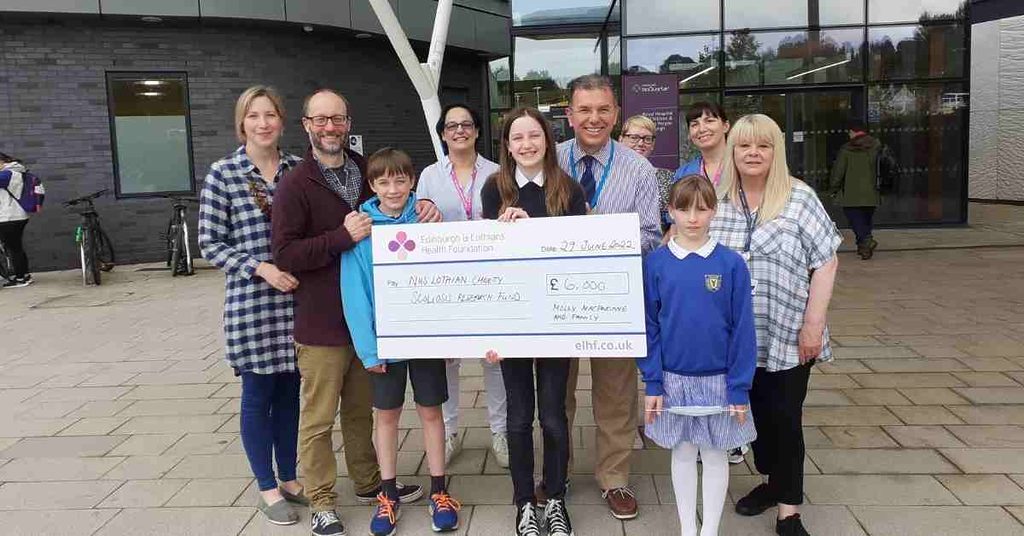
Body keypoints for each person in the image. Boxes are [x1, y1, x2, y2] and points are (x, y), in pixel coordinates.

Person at [271, 88, 440, 536]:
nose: (330, 127)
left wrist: (424, 206)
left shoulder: (366, 172)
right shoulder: (295, 183)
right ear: (306, 125)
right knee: (320, 417)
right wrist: (339, 238)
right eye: (320, 120)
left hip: (373, 321)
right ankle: (323, 499)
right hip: (323, 322)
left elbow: (395, 202)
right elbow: (285, 254)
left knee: (362, 412)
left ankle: (370, 484)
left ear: (348, 123)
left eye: (338, 119)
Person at [712, 114, 840, 536]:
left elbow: (826, 260)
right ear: (732, 150)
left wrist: (813, 324)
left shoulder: (798, 198)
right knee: (754, 419)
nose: (753, 153)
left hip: (786, 333)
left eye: (763, 146)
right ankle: (771, 482)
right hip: (733, 339)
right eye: (745, 145)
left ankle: (789, 510)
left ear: (775, 151)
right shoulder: (717, 198)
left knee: (785, 418)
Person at [198, 86, 306, 525]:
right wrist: (259, 267)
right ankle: (266, 485)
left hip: (299, 302)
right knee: (258, 393)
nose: (263, 123)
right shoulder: (223, 173)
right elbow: (209, 242)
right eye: (253, 116)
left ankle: (291, 477)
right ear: (241, 122)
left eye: (271, 115)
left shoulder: (300, 169)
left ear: (282, 120)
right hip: (252, 302)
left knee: (291, 393)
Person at [555, 74, 661, 520]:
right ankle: (555, 473)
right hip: (557, 299)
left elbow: (654, 236)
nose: (593, 118)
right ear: (569, 114)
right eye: (584, 110)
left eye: (602, 110)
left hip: (615, 299)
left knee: (616, 394)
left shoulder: (639, 169)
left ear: (615, 115)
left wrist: (606, 234)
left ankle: (614, 478)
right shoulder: (549, 159)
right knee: (555, 392)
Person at [342, 147, 461, 536]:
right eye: (382, 182)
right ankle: (388, 493)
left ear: (412, 181)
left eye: (399, 180)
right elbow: (354, 294)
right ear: (372, 185)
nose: (392, 189)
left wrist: (447, 335)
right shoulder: (362, 230)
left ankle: (439, 490)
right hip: (385, 342)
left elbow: (446, 281)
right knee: (387, 416)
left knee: (431, 412)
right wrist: (368, 349)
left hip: (425, 339)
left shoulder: (428, 222)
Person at [482, 106, 587, 536]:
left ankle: (556, 497)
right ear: (507, 146)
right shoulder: (495, 189)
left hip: (558, 318)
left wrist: (535, 227)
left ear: (548, 139)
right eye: (516, 138)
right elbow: (487, 262)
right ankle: (525, 502)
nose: (526, 144)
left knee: (554, 416)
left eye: (533, 136)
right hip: (512, 321)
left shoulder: (569, 189)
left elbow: (580, 253)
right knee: (519, 416)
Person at [639, 174, 757, 536]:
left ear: (714, 212)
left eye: (702, 209)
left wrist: (739, 387)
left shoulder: (731, 263)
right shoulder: (656, 264)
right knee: (684, 451)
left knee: (717, 452)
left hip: (720, 379)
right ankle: (688, 528)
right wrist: (653, 381)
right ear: (670, 211)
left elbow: (743, 329)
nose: (693, 218)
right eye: (684, 209)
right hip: (673, 378)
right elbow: (649, 326)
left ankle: (711, 531)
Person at [417, 103, 509, 468]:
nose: (459, 131)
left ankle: (500, 431)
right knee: (448, 360)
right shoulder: (429, 175)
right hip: (447, 282)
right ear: (443, 133)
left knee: (495, 358)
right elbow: (418, 219)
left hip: (491, 279)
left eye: (466, 124)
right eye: (452, 126)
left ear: (476, 131)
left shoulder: (499, 172)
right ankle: (450, 430)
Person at [827, 120, 881, 260]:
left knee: (856, 221)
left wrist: (833, 187)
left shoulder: (846, 149)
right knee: (866, 220)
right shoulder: (876, 146)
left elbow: (839, 172)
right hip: (872, 191)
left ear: (853, 131)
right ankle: (864, 249)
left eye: (850, 132)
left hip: (851, 193)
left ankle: (867, 242)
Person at [618, 114, 675, 226]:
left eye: (647, 139)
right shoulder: (607, 176)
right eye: (634, 137)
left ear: (653, 144)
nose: (640, 143)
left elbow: (675, 222)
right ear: (620, 140)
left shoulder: (668, 178)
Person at [0, 152, 41, 288]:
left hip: (9, 217)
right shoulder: (16, 171)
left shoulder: (7, 174)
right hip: (17, 216)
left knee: (13, 248)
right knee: (16, 247)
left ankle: (19, 278)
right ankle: (24, 275)